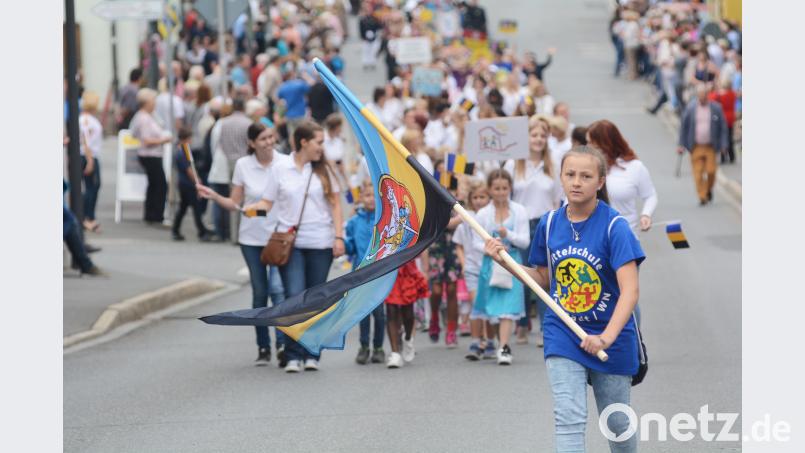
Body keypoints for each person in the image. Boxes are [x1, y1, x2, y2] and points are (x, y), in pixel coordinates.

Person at [484, 145, 645, 451]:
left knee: (617, 423)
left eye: (586, 176)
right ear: (560, 177)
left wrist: (605, 338)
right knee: (568, 419)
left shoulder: (616, 227)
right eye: (570, 174)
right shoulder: (549, 224)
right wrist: (505, 262)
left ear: (600, 181)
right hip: (564, 333)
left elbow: (630, 291)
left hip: (610, 337)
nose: (576, 182)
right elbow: (543, 280)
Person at [242, 121, 345, 373]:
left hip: (321, 242)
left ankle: (312, 353)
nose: (322, 147)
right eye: (318, 142)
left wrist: (338, 237)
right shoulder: (280, 168)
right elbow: (267, 202)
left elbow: (335, 205)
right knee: (294, 297)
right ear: (303, 142)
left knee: (315, 301)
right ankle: (292, 355)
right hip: (291, 243)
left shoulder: (325, 169)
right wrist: (251, 210)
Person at [197, 121, 289, 366]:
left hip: (278, 237)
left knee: (278, 291)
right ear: (252, 143)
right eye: (263, 139)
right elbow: (234, 203)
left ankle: (282, 344)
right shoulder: (243, 165)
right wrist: (213, 196)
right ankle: (263, 346)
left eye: (271, 137)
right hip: (251, 238)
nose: (269, 143)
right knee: (260, 293)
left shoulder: (284, 163)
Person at [504, 116, 561, 346]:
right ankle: (522, 325)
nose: (538, 139)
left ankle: (545, 327)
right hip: (521, 224)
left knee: (545, 277)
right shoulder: (513, 164)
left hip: (546, 224)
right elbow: (506, 196)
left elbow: (558, 199)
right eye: (534, 135)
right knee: (523, 275)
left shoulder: (553, 165)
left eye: (542, 135)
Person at [473, 169, 529, 365]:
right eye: (496, 188)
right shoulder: (483, 214)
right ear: (490, 189)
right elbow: (475, 242)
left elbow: (524, 241)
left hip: (512, 262)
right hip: (491, 263)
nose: (501, 192)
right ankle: (500, 342)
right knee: (494, 308)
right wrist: (490, 248)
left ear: (510, 188)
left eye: (504, 188)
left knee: (508, 306)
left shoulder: (519, 211)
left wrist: (508, 235)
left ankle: (505, 347)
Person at [587, 120, 657, 234]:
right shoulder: (586, 167)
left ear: (604, 144)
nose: (587, 147)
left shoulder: (635, 167)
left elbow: (650, 195)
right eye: (587, 142)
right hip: (593, 236)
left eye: (591, 143)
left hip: (626, 234)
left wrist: (646, 214)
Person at [453, 180, 496, 361]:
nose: (479, 201)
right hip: (472, 267)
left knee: (489, 306)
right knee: (477, 304)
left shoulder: (492, 216)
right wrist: (463, 264)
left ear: (489, 198)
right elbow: (459, 244)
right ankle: (476, 341)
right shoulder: (466, 217)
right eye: (475, 197)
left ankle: (490, 341)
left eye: (482, 197)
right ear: (470, 199)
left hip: (489, 266)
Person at [345, 182, 386, 365]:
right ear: (361, 198)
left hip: (379, 273)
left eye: (374, 195)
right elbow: (350, 247)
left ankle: (378, 347)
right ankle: (363, 347)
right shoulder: (354, 222)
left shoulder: (383, 220)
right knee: (362, 313)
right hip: (360, 274)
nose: (371, 199)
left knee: (379, 313)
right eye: (367, 195)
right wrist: (342, 242)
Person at [678, 84, 728, 205]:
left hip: (711, 146)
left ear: (707, 95)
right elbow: (684, 127)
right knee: (698, 173)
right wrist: (681, 145)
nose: (702, 98)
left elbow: (723, 127)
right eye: (700, 95)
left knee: (711, 171)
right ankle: (702, 196)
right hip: (696, 146)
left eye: (704, 95)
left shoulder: (716, 108)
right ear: (697, 96)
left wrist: (724, 145)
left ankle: (708, 189)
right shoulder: (691, 108)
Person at [130, 88, 171, 223]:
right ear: (147, 102)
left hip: (149, 154)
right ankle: (156, 215)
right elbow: (146, 140)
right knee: (160, 185)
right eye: (153, 101)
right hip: (150, 154)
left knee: (154, 184)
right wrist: (164, 140)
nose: (155, 104)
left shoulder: (146, 116)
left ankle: (151, 214)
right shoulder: (144, 118)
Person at [172, 127, 212, 242]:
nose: (191, 141)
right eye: (190, 139)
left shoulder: (182, 150)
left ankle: (176, 230)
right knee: (196, 208)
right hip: (187, 184)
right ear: (186, 139)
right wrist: (197, 180)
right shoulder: (182, 152)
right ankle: (202, 232)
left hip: (183, 183)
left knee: (183, 208)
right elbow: (188, 169)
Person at [78, 91, 103, 233]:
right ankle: (87, 217)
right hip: (88, 156)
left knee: (91, 186)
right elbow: (86, 141)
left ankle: (87, 216)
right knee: (92, 187)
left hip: (87, 155)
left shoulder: (84, 119)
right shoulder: (87, 120)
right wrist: (90, 160)